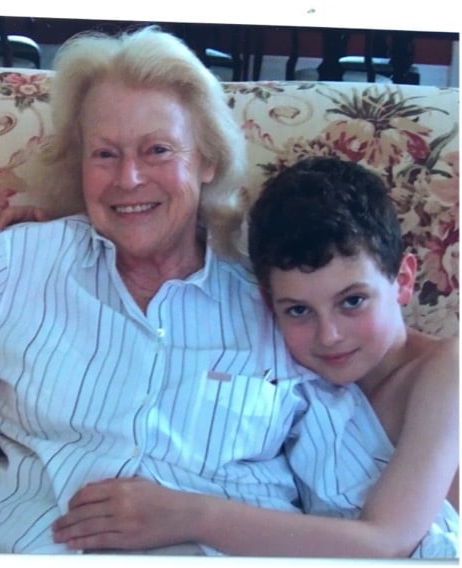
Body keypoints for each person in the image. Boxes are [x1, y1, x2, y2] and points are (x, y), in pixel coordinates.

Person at [0, 26, 452, 557]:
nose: (129, 179)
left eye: (157, 150)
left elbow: (377, 517)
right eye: (105, 155)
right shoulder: (14, 266)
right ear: (77, 166)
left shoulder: (280, 304)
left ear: (205, 161)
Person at [51, 156, 459, 557]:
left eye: (352, 301)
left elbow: (388, 542)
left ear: (403, 280)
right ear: (269, 304)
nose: (329, 335)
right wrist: (59, 233)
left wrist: (190, 516)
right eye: (298, 310)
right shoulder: (296, 374)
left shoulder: (446, 369)